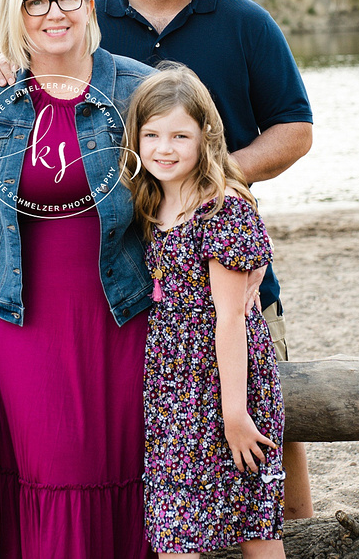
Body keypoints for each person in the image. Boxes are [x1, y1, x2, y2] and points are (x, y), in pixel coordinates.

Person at [0, 0, 315, 520]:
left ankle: (302, 537)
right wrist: (1, 64)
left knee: (278, 420)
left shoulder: (246, 23)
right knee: (164, 448)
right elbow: (39, 68)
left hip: (228, 258)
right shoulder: (89, 15)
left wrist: (204, 185)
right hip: (147, 274)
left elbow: (296, 130)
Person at [0, 0, 156, 557]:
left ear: (88, 4)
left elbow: (192, 189)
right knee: (56, 465)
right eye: (36, 2)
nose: (55, 13)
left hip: (121, 311)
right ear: (15, 15)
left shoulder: (138, 90)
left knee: (122, 464)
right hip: (23, 316)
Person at [123, 65, 285, 557]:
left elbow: (231, 318)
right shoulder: (151, 199)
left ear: (205, 137)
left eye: (179, 135)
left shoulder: (221, 207)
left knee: (254, 520)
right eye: (151, 135)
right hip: (175, 381)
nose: (163, 148)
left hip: (230, 378)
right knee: (176, 524)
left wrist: (234, 413)